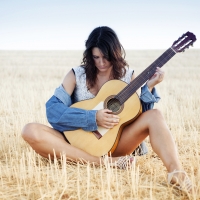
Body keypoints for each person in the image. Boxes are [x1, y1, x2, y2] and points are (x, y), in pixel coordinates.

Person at [22, 26, 193, 193]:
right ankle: (104, 163)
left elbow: (138, 114)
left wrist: (149, 87)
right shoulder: (76, 75)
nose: (101, 63)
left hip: (113, 144)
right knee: (30, 130)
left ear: (115, 53)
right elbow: (53, 110)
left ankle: (176, 172)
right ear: (90, 55)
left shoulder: (128, 76)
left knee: (155, 115)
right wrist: (92, 117)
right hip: (73, 142)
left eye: (106, 57)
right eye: (96, 57)